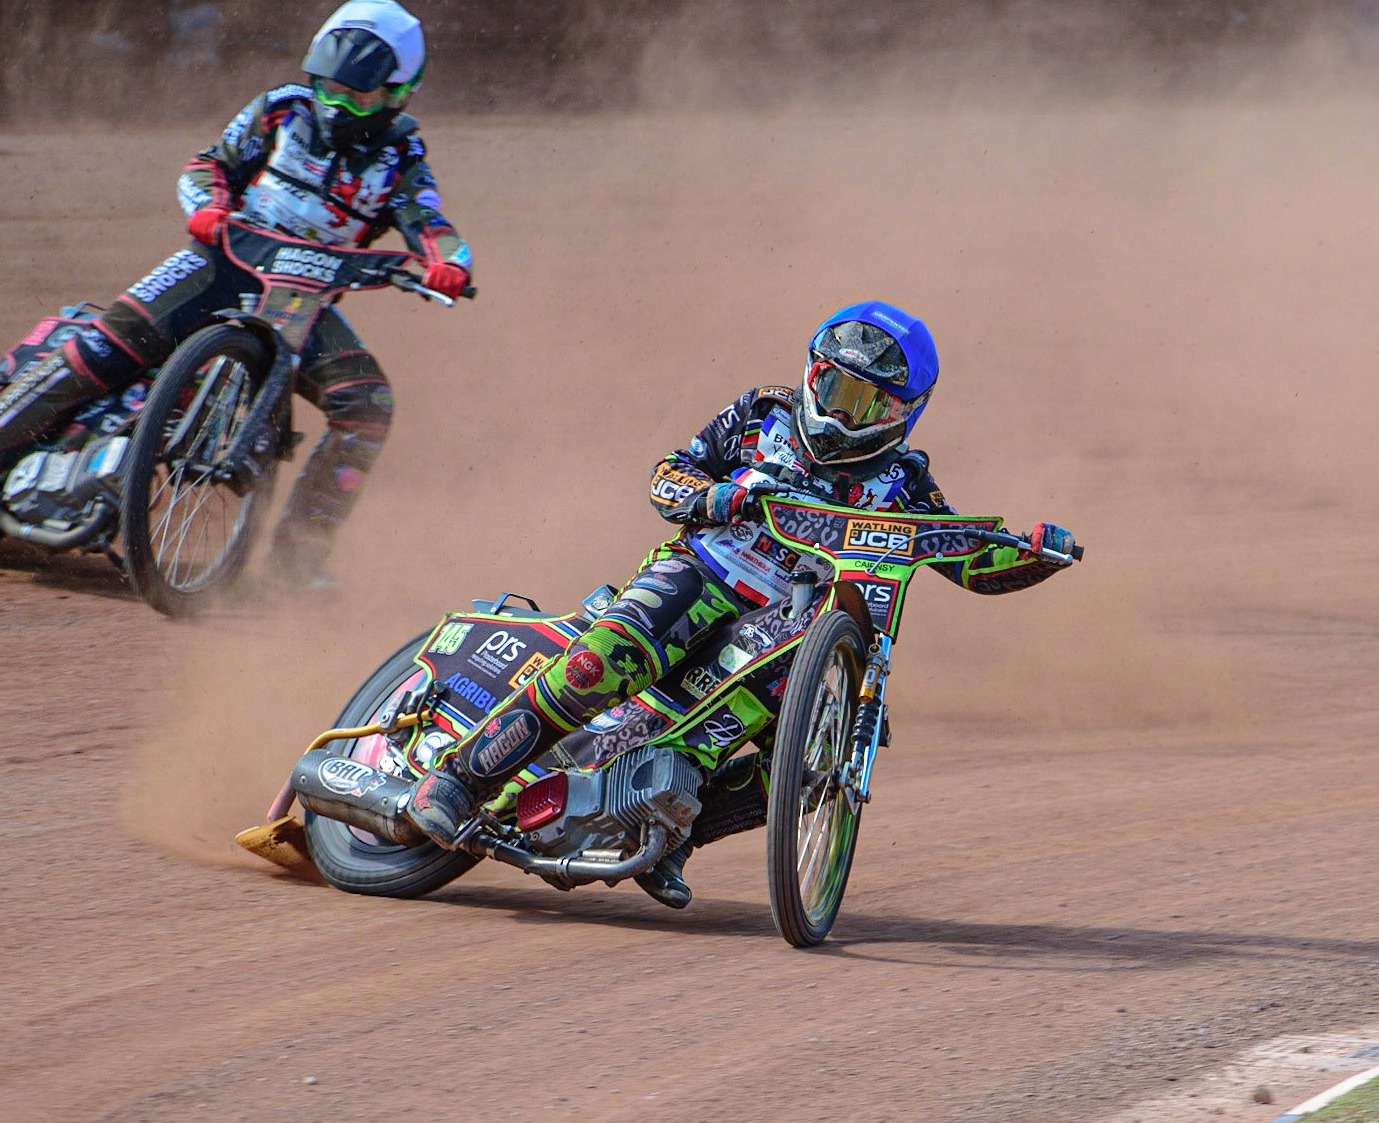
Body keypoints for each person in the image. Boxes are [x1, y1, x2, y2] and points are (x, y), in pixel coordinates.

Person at [406, 300, 1077, 907]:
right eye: (833, 388)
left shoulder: (907, 485)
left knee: (827, 747)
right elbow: (668, 473)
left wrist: (1033, 553)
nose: (842, 413)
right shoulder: (762, 413)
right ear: (811, 374)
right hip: (702, 571)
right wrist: (713, 497)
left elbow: (965, 558)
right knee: (601, 661)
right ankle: (460, 780)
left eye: (867, 402)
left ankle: (674, 835)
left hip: (787, 622)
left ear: (904, 413)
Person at [0, 0, 472, 585]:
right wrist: (209, 205)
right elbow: (208, 166)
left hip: (303, 298)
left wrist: (449, 261)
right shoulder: (280, 110)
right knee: (111, 341)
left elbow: (429, 222)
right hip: (221, 261)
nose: (335, 105)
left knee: (368, 405)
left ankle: (299, 556)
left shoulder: (402, 157)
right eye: (328, 87)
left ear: (398, 93)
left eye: (355, 97)